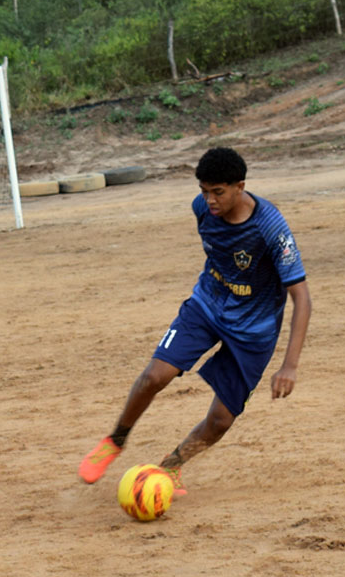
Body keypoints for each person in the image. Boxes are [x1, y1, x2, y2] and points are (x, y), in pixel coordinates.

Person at [78, 147, 312, 495]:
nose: (210, 200)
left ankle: (169, 469)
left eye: (218, 192)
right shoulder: (201, 208)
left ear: (240, 186)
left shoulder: (271, 228)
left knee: (220, 421)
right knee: (154, 376)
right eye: (205, 190)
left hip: (253, 329)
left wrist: (289, 366)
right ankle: (116, 440)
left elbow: (302, 298)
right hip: (207, 304)